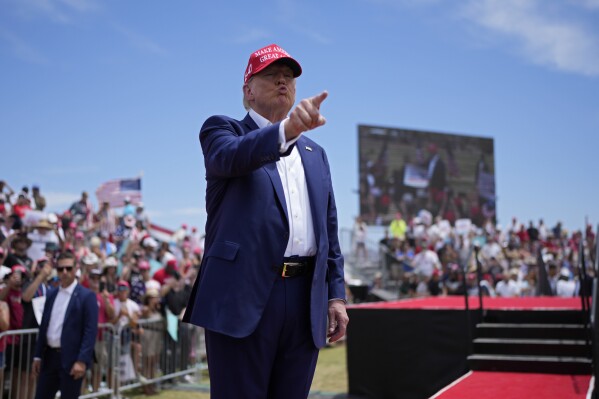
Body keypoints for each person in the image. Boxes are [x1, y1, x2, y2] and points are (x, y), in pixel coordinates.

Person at [182, 43, 348, 399]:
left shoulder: (316, 154)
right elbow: (232, 157)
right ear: (248, 91)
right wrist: (286, 130)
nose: (283, 81)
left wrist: (335, 296)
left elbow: (328, 232)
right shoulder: (222, 130)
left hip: (305, 301)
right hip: (243, 297)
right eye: (271, 75)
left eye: (288, 76)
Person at [32, 251, 98, 399]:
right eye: (61, 269)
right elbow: (43, 327)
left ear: (76, 268)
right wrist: (37, 356)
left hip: (72, 359)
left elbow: (90, 331)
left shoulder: (87, 296)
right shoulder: (51, 294)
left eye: (68, 268)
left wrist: (82, 361)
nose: (65, 272)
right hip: (49, 358)